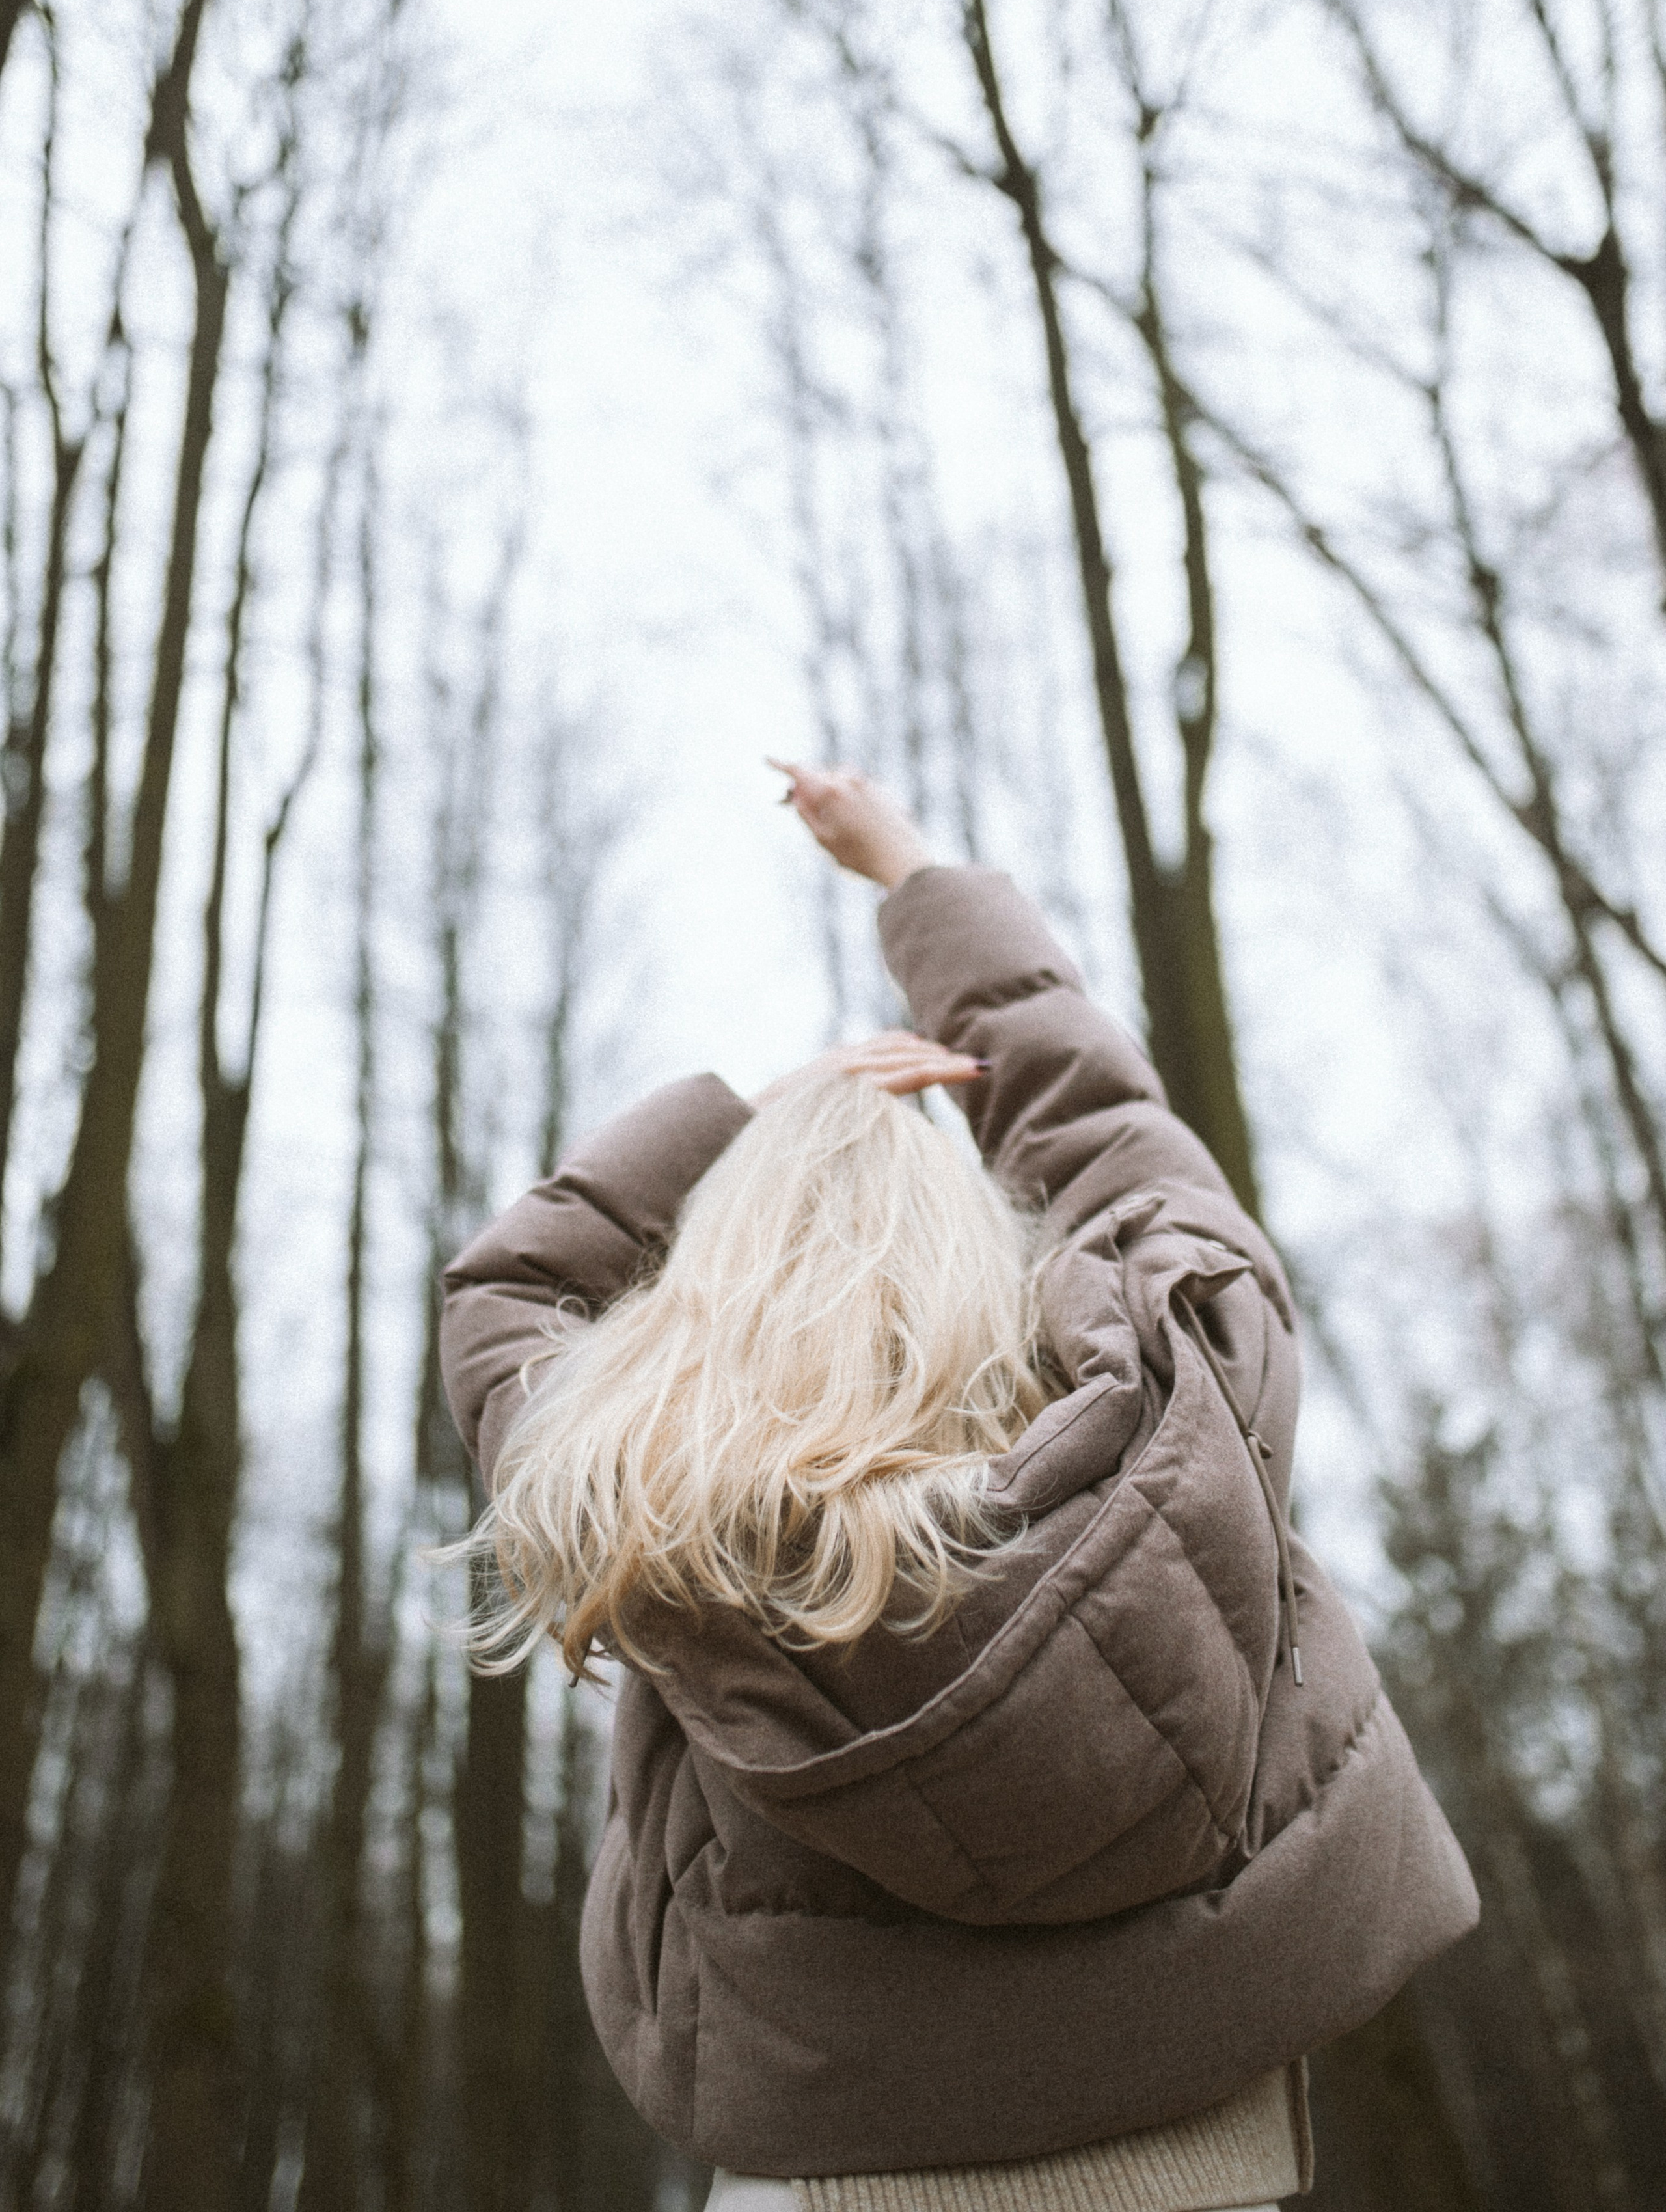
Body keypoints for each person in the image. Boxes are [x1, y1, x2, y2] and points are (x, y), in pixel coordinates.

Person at [441, 764, 1478, 2212]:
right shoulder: (1182, 1399)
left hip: (838, 2174)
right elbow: (1108, 1127)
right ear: (987, 1257)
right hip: (1213, 2151)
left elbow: (507, 1283)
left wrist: (754, 1117)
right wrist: (914, 873)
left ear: (701, 1294)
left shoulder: (638, 1498)